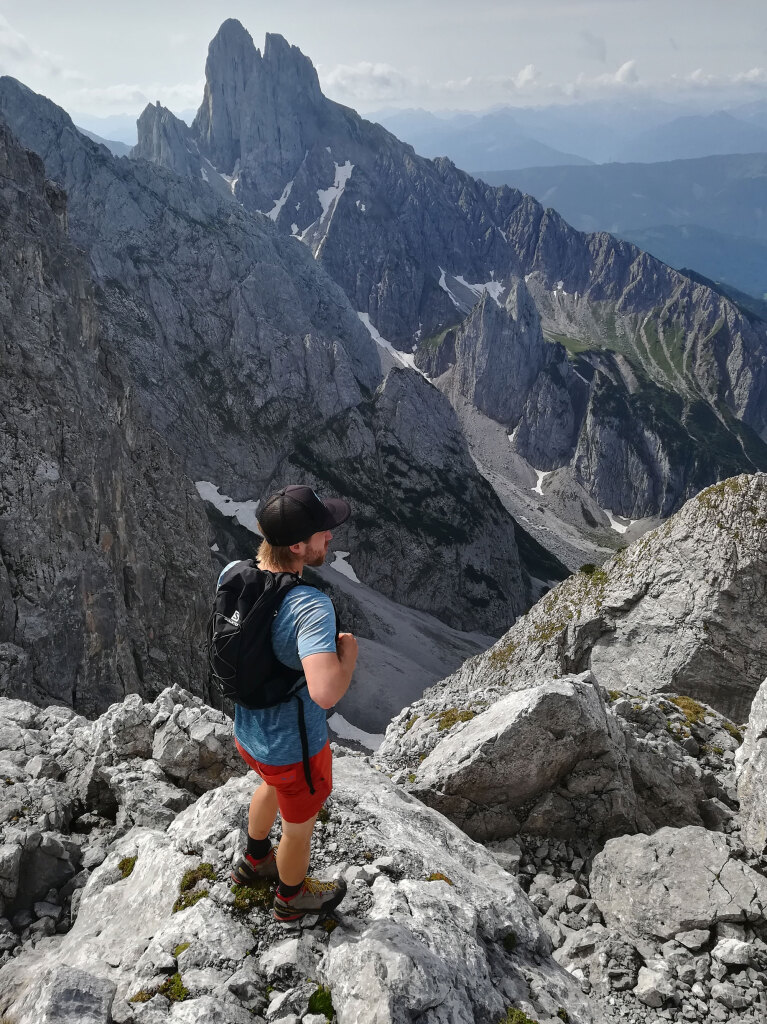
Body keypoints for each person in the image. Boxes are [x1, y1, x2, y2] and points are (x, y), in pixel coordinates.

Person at [225, 485, 358, 924]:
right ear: (299, 546)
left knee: (268, 783)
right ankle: (291, 898)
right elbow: (324, 692)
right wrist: (348, 659)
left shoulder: (233, 573)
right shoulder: (309, 607)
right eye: (324, 532)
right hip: (294, 746)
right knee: (299, 825)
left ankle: (255, 860)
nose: (330, 538)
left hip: (249, 732)